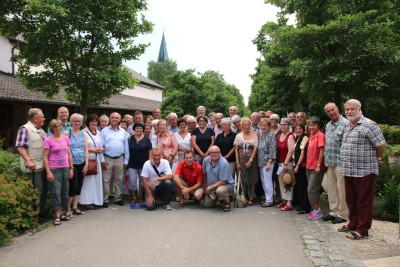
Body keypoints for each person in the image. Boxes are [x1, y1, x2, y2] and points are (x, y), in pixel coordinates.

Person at [339, 99, 385, 240]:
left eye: (353, 109)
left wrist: (374, 157)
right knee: (351, 199)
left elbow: (381, 145)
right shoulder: (348, 125)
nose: (350, 112)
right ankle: (353, 223)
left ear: (359, 109)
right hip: (349, 170)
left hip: (364, 170)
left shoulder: (369, 125)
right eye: (347, 109)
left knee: (363, 201)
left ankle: (363, 229)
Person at [16, 108, 48, 218]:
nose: (44, 118)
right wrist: (28, 161)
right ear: (35, 119)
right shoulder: (25, 129)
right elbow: (20, 147)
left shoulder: (40, 130)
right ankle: (33, 217)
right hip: (33, 167)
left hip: (43, 165)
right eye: (42, 116)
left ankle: (41, 214)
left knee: (43, 191)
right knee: (35, 192)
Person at [322, 102, 349, 224]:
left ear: (337, 108)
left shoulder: (346, 124)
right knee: (331, 189)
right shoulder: (328, 125)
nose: (331, 112)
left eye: (332, 109)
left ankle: (343, 214)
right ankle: (334, 211)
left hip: (341, 162)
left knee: (341, 189)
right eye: (328, 111)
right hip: (330, 162)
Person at [43, 119, 74, 225]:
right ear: (52, 128)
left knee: (65, 190)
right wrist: (48, 171)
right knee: (55, 192)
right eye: (56, 126)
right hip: (54, 168)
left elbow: (69, 154)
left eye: (60, 126)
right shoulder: (48, 140)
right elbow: (45, 157)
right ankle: (57, 214)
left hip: (65, 167)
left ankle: (64, 212)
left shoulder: (66, 138)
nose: (58, 128)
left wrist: (71, 168)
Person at [101, 112, 129, 207]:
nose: (114, 119)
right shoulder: (104, 131)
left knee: (119, 179)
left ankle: (117, 198)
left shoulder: (123, 132)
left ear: (119, 119)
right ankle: (105, 199)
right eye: (112, 117)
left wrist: (126, 160)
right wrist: (102, 160)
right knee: (106, 180)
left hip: (119, 158)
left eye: (116, 118)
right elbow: (101, 146)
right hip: (107, 158)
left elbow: (126, 148)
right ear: (110, 119)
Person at [80, 114, 105, 210]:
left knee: (96, 181)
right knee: (88, 182)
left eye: (95, 121)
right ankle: (86, 202)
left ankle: (96, 200)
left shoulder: (99, 133)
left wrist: (101, 149)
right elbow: (81, 146)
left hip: (97, 159)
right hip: (88, 160)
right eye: (92, 121)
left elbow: (101, 145)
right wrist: (92, 150)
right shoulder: (83, 132)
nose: (94, 123)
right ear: (88, 122)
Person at [67, 113, 88, 216]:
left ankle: (75, 207)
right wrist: (70, 166)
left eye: (79, 121)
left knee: (79, 185)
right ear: (71, 122)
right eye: (75, 121)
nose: (77, 123)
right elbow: (67, 150)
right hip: (72, 163)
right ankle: (68, 208)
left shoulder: (83, 134)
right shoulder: (67, 133)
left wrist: (87, 164)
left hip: (81, 162)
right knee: (73, 186)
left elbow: (86, 150)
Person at [234, 117, 258, 206]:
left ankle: (251, 197)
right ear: (242, 126)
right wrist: (237, 162)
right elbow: (236, 150)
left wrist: (250, 161)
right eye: (245, 125)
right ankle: (244, 196)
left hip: (252, 160)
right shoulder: (238, 136)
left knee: (252, 179)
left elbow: (255, 149)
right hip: (241, 160)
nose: (247, 127)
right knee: (243, 179)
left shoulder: (255, 135)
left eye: (248, 125)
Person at [202, 146, 234, 212]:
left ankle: (226, 202)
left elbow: (223, 181)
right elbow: (204, 175)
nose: (214, 154)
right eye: (212, 153)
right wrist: (206, 188)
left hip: (225, 185)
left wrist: (209, 188)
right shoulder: (206, 160)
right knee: (206, 205)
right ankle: (219, 199)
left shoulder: (224, 163)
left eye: (216, 152)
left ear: (219, 153)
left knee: (220, 191)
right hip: (212, 187)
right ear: (209, 153)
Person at [305, 116, 325, 220]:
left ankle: (317, 211)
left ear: (318, 125)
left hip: (316, 167)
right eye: (310, 125)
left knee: (312, 190)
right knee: (312, 190)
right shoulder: (311, 135)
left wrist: (318, 165)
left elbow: (322, 151)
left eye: (314, 125)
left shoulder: (320, 136)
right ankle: (315, 209)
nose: (311, 127)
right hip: (308, 166)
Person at [128, 122, 152, 205]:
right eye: (137, 128)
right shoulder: (130, 138)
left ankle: (140, 197)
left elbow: (150, 151)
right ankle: (134, 197)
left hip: (143, 165)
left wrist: (149, 162)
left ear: (143, 129)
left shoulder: (146, 139)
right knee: (132, 181)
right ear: (134, 129)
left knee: (142, 182)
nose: (139, 129)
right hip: (132, 164)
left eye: (140, 128)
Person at [276, 118, 295, 211]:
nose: (283, 126)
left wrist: (285, 163)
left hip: (287, 162)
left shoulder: (290, 136)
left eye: (285, 124)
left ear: (289, 126)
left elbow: (291, 151)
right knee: (282, 182)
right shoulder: (279, 135)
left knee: (288, 182)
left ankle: (289, 202)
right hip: (280, 162)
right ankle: (284, 200)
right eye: (281, 124)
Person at [257, 118, 277, 207]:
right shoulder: (261, 135)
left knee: (267, 181)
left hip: (268, 162)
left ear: (269, 127)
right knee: (263, 181)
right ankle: (267, 198)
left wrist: (269, 162)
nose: (263, 127)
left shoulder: (271, 136)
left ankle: (269, 200)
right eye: (262, 125)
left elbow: (273, 150)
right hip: (261, 162)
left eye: (266, 125)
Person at [292, 123, 311, 214]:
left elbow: (302, 153)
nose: (298, 130)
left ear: (303, 129)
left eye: (300, 129)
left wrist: (298, 165)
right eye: (296, 129)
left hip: (301, 166)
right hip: (296, 165)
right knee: (299, 186)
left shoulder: (305, 138)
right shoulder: (297, 138)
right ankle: (302, 206)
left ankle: (305, 207)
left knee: (303, 187)